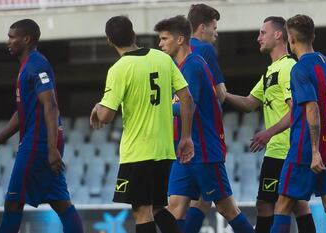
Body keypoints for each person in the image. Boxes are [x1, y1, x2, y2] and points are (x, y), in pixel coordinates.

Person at [89, 16, 194, 233]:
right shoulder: (162, 58)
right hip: (164, 149)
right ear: (134, 34)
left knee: (141, 211)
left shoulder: (119, 69)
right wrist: (186, 137)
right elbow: (187, 98)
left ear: (109, 41)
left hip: (139, 151)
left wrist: (98, 106)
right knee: (156, 208)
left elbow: (106, 116)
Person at [0, 19, 84, 233]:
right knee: (60, 202)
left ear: (26, 39)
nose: (8, 41)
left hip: (38, 145)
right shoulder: (27, 66)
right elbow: (22, 113)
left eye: (12, 37)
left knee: (13, 203)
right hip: (42, 144)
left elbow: (51, 106)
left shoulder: (37, 65)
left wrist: (52, 148)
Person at [154, 15, 255, 233]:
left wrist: (155, 108)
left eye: (164, 38)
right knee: (175, 207)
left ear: (180, 39)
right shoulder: (180, 67)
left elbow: (189, 107)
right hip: (184, 151)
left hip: (204, 151)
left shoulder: (193, 66)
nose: (160, 43)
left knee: (227, 209)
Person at [224, 16, 316, 233]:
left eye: (262, 33)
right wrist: (222, 94)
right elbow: (249, 103)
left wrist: (268, 133)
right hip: (280, 150)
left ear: (278, 35)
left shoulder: (288, 67)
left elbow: (297, 109)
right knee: (296, 204)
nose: (258, 38)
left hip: (283, 150)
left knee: (268, 204)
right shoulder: (270, 72)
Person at [270, 14, 326, 233]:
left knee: (282, 205)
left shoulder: (299, 69)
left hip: (306, 150)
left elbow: (312, 108)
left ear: (290, 39)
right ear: (313, 36)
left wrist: (315, 151)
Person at [184, 4, 227, 231]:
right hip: (204, 135)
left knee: (185, 201)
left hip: (180, 133)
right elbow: (220, 93)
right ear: (202, 28)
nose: (216, 33)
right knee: (225, 204)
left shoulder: (177, 50)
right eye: (214, 27)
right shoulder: (205, 50)